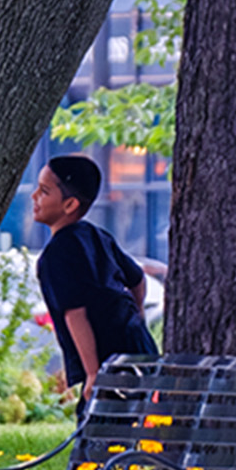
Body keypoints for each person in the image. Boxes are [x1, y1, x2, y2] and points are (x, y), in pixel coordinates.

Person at [29, 155, 156, 396]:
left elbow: (75, 313)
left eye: (44, 191)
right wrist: (137, 315)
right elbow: (137, 277)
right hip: (136, 343)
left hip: (108, 358)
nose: (34, 196)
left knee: (103, 423)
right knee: (139, 416)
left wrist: (92, 373)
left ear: (70, 205)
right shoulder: (95, 235)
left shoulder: (56, 254)